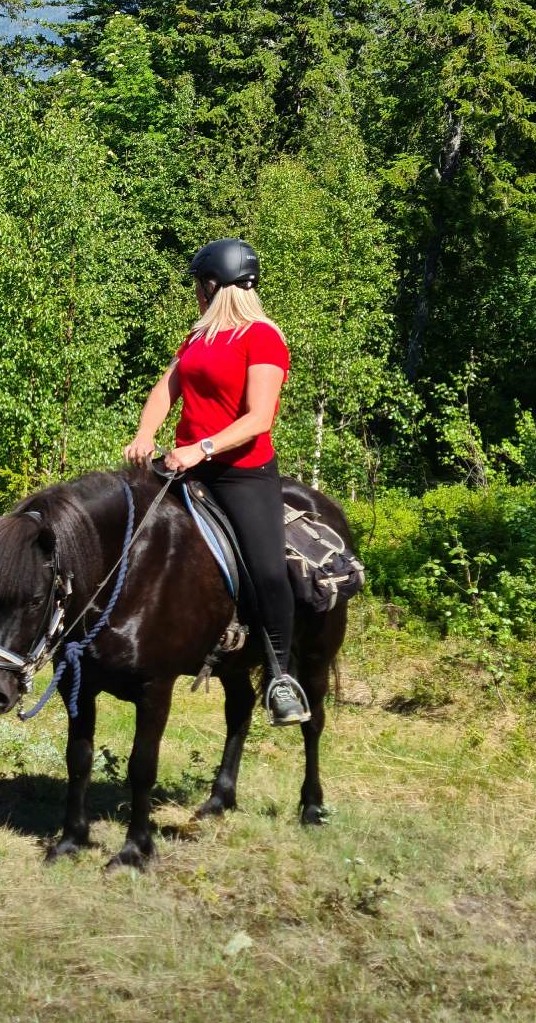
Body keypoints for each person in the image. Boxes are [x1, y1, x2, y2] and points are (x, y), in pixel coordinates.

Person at [123, 238, 307, 726]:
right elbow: (167, 387)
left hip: (241, 474)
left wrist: (199, 448)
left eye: (198, 287)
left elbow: (259, 419)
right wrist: (146, 433)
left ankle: (281, 675)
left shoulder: (263, 337)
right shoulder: (199, 337)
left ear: (211, 286)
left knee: (268, 570)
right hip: (185, 465)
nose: (196, 296)